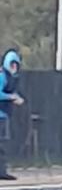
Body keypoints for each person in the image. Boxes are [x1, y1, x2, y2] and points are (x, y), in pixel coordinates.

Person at [0, 50, 24, 181]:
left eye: (16, 65)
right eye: (12, 64)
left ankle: (2, 170)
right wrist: (11, 97)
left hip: (4, 115)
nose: (14, 67)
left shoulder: (11, 78)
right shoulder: (2, 76)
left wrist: (16, 98)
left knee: (2, 144)